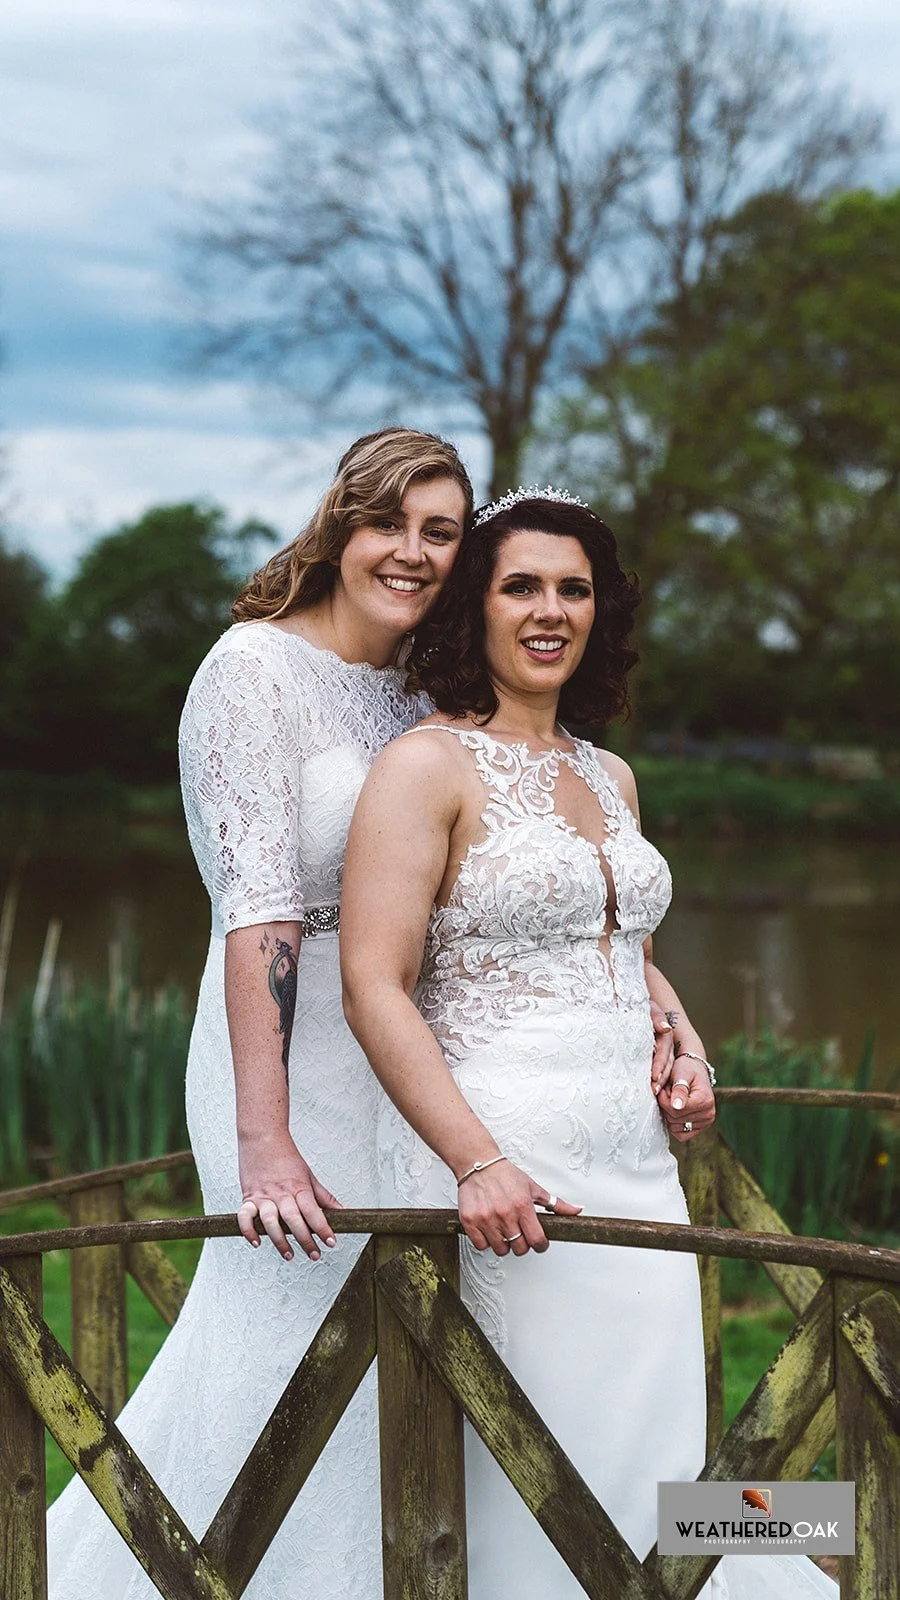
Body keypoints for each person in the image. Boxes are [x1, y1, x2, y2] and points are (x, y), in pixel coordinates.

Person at [340, 486, 835, 1597]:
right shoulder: (426, 767)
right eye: (522, 585)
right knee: (543, 1452)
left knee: (654, 1437)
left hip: (637, 1165)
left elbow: (623, 949)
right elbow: (374, 984)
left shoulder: (611, 775)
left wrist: (689, 1045)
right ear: (475, 607)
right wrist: (476, 1159)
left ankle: (727, 1568)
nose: (550, 609)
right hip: (515, 1164)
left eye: (575, 588)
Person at [46, 427, 473, 1600]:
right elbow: (263, 912)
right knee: (293, 1328)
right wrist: (263, 1136)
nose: (414, 551)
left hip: (422, 1048)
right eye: (390, 521)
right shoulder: (250, 670)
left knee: (429, 1328)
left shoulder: (426, 689)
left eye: (441, 530)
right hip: (288, 1062)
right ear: (339, 524)